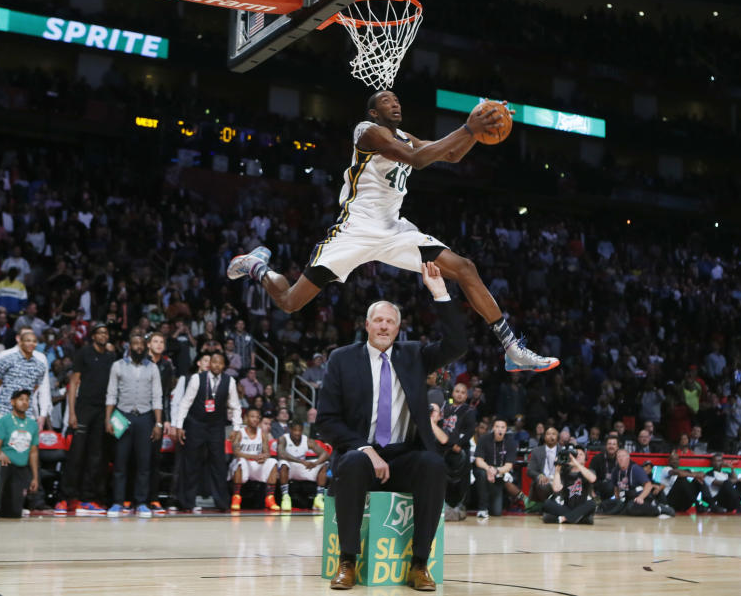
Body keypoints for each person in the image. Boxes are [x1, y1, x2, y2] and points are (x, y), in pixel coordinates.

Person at [228, 92, 558, 373]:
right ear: (374, 111)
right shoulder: (367, 131)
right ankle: (257, 265)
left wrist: (478, 124)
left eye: (397, 100)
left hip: (393, 231)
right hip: (354, 231)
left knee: (464, 267)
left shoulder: (405, 137)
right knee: (289, 303)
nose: (395, 104)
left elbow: (452, 153)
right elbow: (416, 160)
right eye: (387, 101)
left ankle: (512, 348)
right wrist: (468, 127)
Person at [316, 262, 465, 591]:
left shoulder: (413, 355)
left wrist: (440, 292)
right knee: (353, 461)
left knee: (433, 465)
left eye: (391, 322)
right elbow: (326, 421)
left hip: (402, 455)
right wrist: (365, 449)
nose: (384, 326)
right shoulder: (342, 358)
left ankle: (420, 564)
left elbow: (457, 344)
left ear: (398, 329)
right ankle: (347, 562)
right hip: (361, 452)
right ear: (367, 325)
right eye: (378, 320)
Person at [0, 329, 47, 517]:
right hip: (4, 412)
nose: (30, 343)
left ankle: (13, 500)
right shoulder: (6, 358)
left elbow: (34, 387)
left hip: (26, 415)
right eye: (27, 340)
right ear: (19, 341)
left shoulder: (39, 364)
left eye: (34, 341)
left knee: (21, 456)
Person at [56, 325, 116, 516]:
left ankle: (87, 499)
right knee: (76, 455)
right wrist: (72, 412)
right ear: (93, 336)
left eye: (106, 333)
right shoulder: (84, 353)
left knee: (96, 457)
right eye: (99, 333)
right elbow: (74, 383)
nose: (103, 335)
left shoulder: (111, 357)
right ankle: (65, 498)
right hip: (83, 409)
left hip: (102, 410)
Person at [173, 351, 242, 512]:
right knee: (191, 463)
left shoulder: (229, 381)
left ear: (224, 366)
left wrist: (237, 427)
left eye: (220, 363)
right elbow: (185, 403)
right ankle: (186, 502)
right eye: (214, 362)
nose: (217, 365)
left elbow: (236, 406)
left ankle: (222, 503)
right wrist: (179, 425)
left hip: (216, 426)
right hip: (196, 424)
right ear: (209, 364)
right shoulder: (197, 378)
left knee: (218, 464)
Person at [104, 331, 163, 518]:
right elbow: (111, 394)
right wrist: (108, 419)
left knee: (144, 463)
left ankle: (142, 503)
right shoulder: (118, 366)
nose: (138, 347)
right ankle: (118, 502)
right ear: (129, 346)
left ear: (145, 347)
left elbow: (157, 397)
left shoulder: (152, 368)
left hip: (145, 417)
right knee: (120, 462)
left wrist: (158, 423)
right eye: (135, 343)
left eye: (141, 344)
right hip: (123, 415)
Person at [0, 389, 39, 521]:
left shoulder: (32, 424)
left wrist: (35, 477)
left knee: (14, 514)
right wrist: (1, 453)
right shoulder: (5, 420)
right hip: (6, 463)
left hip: (21, 467)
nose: (24, 402)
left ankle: (8, 508)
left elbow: (33, 452)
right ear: (13, 402)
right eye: (21, 399)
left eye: (27, 400)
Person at [433, 381, 476, 520]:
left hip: (460, 449)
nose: (459, 394)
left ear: (466, 396)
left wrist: (458, 444)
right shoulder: (445, 409)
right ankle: (442, 505)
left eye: (463, 392)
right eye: (457, 391)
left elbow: (469, 432)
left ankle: (460, 506)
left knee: (461, 481)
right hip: (444, 448)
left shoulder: (469, 411)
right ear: (452, 393)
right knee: (442, 477)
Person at [227, 407, 278, 511]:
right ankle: (236, 497)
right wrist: (254, 457)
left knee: (273, 462)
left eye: (257, 417)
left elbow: (267, 452)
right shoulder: (239, 433)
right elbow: (236, 452)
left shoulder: (262, 434)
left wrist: (264, 457)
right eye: (252, 417)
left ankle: (270, 498)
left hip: (256, 464)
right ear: (246, 419)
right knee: (240, 461)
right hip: (241, 464)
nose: (255, 419)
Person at [146, 331, 175, 514]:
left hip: (156, 415)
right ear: (148, 344)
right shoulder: (141, 362)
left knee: (154, 459)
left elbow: (165, 395)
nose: (158, 344)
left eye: (161, 342)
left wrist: (166, 419)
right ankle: (131, 498)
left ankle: (153, 499)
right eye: (155, 341)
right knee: (136, 458)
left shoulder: (166, 365)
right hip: (139, 412)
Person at [277, 420, 329, 512]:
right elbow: (281, 454)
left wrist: (315, 463)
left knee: (324, 464)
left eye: (299, 430)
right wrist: (301, 461)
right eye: (295, 430)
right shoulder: (283, 439)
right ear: (290, 430)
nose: (297, 433)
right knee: (283, 463)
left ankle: (319, 498)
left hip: (302, 468)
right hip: (290, 468)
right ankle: (285, 497)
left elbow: (325, 454)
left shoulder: (307, 440)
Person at [472, 418, 519, 519]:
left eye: (502, 427)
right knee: (481, 473)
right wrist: (489, 469)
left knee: (497, 512)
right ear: (493, 428)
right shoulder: (484, 439)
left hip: (499, 473)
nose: (500, 430)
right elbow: (478, 461)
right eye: (497, 427)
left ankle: (494, 504)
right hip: (484, 470)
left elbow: (509, 465)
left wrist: (497, 471)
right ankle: (482, 508)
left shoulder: (511, 443)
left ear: (506, 429)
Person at [543, 447, 597, 524]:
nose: (578, 456)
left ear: (585, 458)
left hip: (582, 506)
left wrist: (577, 464)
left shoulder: (589, 471)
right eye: (576, 454)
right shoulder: (565, 472)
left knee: (592, 504)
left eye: (581, 454)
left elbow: (592, 479)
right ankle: (577, 518)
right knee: (547, 503)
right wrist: (557, 469)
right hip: (567, 507)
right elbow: (556, 489)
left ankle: (563, 518)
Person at [527, 427, 560, 503]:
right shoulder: (536, 451)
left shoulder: (563, 452)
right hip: (544, 481)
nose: (551, 436)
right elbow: (530, 470)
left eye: (553, 434)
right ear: (544, 437)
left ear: (558, 438)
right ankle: (547, 507)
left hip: (558, 481)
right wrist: (539, 476)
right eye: (548, 434)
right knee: (541, 483)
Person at [590, 434, 620, 499]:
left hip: (618, 488)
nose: (611, 446)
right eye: (609, 444)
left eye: (614, 444)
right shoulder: (597, 458)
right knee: (609, 485)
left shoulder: (621, 458)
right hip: (600, 488)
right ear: (606, 446)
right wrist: (592, 493)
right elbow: (590, 477)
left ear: (617, 447)